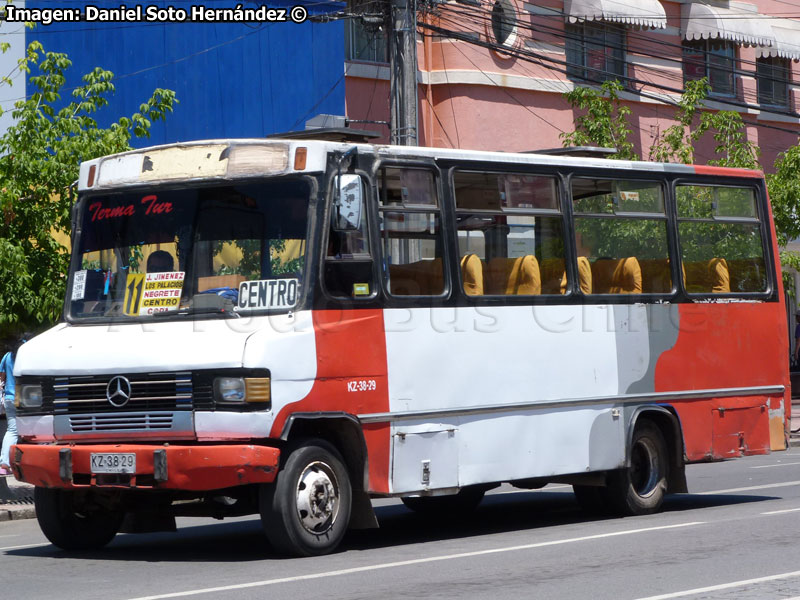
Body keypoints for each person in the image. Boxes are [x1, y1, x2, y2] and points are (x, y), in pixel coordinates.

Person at [0, 335, 26, 475]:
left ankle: (5, 462)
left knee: (12, 430)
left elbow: (1, 376)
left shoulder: (7, 356)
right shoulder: (27, 356)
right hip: (24, 395)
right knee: (32, 430)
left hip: (9, 396)